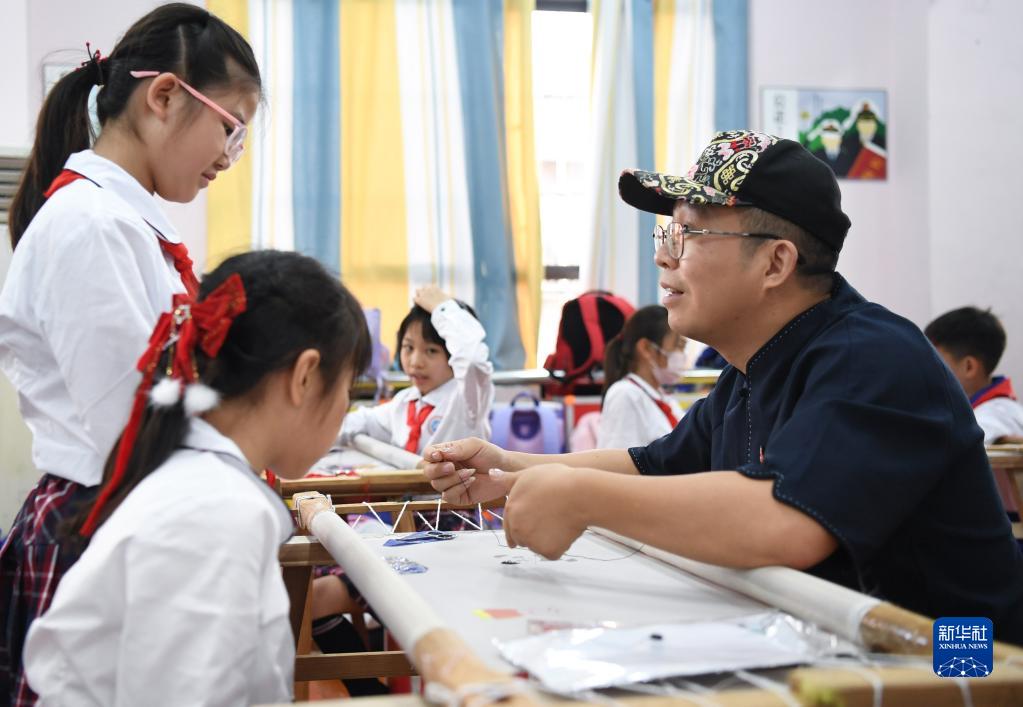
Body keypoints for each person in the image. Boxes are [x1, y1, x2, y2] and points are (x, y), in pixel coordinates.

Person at [423, 130, 1023, 644]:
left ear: (775, 264)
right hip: (839, 642)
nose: (665, 258)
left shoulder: (873, 359)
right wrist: (512, 472)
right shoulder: (750, 370)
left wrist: (578, 497)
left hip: (965, 654)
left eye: (689, 235)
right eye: (666, 235)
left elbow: (788, 523)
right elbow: (656, 466)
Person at [0, 5, 261, 703]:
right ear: (166, 96)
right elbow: (134, 424)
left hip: (120, 512)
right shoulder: (91, 227)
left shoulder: (124, 222)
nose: (228, 159)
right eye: (229, 129)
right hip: (97, 521)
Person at [22, 250, 371, 706]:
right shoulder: (218, 511)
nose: (346, 408)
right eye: (349, 388)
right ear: (304, 376)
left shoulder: (201, 484)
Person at [339, 285, 494, 455]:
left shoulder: (467, 400)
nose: (415, 362)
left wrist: (442, 308)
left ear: (454, 355)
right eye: (408, 347)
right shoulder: (404, 401)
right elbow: (362, 421)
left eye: (431, 351)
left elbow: (472, 360)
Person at [925, 306, 1023, 445]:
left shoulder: (990, 418)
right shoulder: (1001, 409)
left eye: (935, 363)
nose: (927, 371)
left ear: (969, 367)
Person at [598, 305, 686, 448]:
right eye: (677, 345)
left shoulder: (663, 398)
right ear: (646, 348)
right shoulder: (625, 395)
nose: (681, 355)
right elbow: (620, 461)